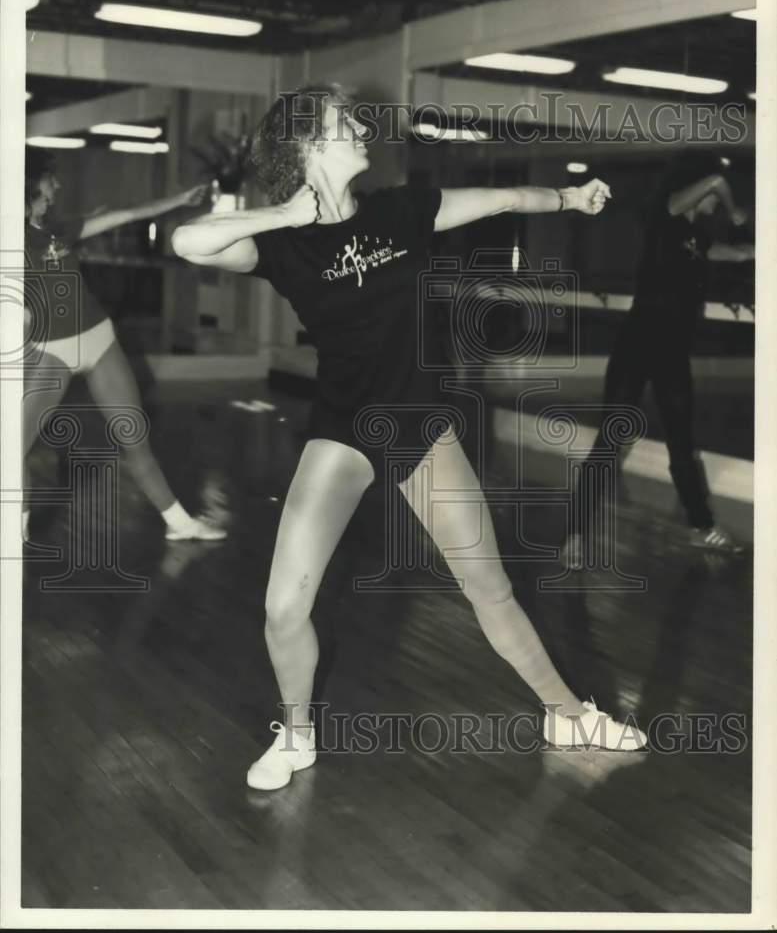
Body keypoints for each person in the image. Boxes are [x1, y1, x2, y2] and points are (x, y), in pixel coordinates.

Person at [172, 84, 647, 791]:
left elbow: (507, 200)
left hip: (419, 426)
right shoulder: (280, 243)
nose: (362, 130)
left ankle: (566, 714)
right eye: (344, 124)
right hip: (340, 431)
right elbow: (188, 241)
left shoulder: (401, 209)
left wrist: (566, 200)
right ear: (307, 145)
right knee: (282, 606)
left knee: (488, 587)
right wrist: (281, 212)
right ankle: (296, 734)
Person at [23, 147, 226, 543]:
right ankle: (16, 534)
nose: (58, 184)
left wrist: (179, 200)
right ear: (30, 184)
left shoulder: (59, 228)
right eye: (51, 177)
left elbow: (128, 213)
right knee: (10, 451)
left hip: (100, 341)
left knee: (135, 439)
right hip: (51, 351)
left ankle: (180, 524)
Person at [562, 153, 754, 569]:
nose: (715, 208)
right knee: (610, 443)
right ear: (694, 187)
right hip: (638, 344)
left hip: (672, 353)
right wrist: (731, 201)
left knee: (682, 446)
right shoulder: (663, 217)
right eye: (712, 200)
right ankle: (574, 535)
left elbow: (738, 253)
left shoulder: (697, 240)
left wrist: (752, 242)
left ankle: (702, 527)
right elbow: (716, 181)